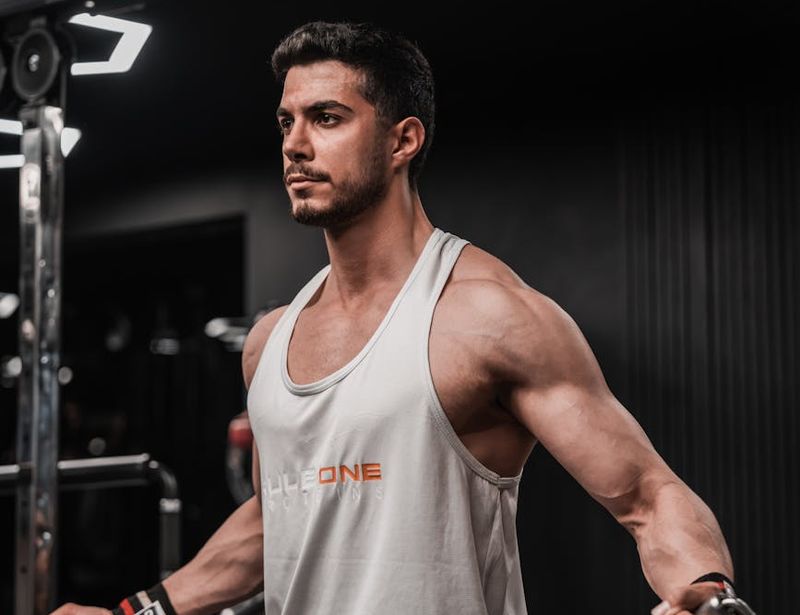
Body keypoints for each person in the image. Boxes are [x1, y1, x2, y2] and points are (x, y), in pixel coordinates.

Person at [53, 20, 739, 615]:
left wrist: (709, 596)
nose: (294, 144)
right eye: (286, 121)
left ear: (402, 140)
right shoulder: (268, 341)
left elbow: (649, 495)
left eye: (326, 118)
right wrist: (136, 606)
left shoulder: (486, 315)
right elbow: (278, 520)